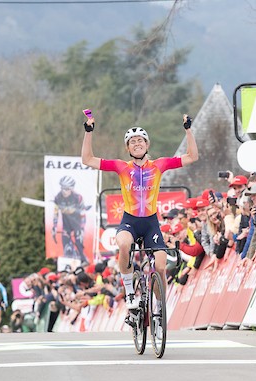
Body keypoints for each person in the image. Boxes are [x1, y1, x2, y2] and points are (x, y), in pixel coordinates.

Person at [81, 113, 198, 311]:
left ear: (147, 145)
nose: (137, 143)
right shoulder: (121, 167)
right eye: (132, 141)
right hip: (130, 221)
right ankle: (129, 292)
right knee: (125, 244)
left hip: (151, 222)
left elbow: (192, 156)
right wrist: (88, 133)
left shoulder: (159, 165)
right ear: (127, 148)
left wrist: (188, 130)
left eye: (140, 140)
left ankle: (160, 307)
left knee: (160, 266)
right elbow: (87, 159)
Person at [51, 175, 91, 266]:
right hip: (66, 224)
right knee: (66, 245)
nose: (64, 191)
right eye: (62, 188)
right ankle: (68, 263)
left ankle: (83, 259)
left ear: (71, 188)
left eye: (66, 189)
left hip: (77, 223)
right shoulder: (58, 197)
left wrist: (82, 228)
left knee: (78, 243)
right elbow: (56, 213)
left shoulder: (78, 197)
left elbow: (83, 213)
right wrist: (54, 227)